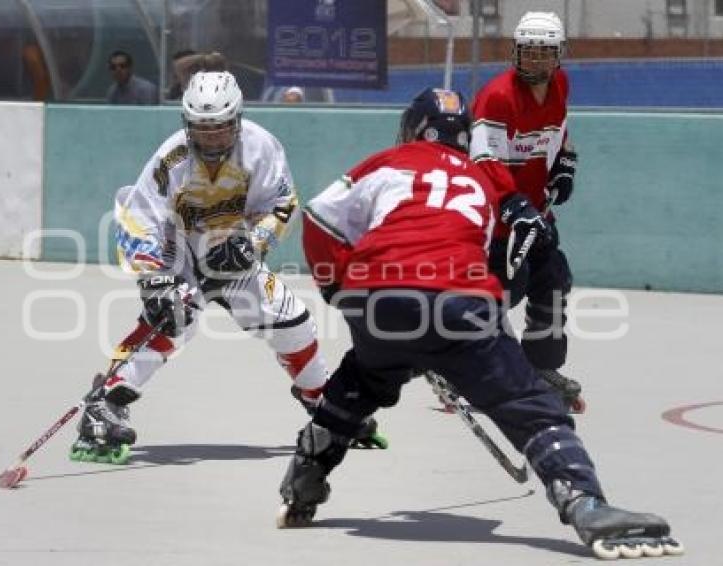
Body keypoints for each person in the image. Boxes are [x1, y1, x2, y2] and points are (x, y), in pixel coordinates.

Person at [274, 87, 683, 560]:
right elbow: (484, 258)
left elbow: (320, 219)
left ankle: (306, 474)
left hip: (377, 298)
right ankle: (585, 504)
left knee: (365, 373)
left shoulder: (385, 161)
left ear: (411, 129)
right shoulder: (481, 182)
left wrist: (335, 286)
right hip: (458, 302)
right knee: (528, 402)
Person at [70, 71, 385, 465]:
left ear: (236, 119)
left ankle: (321, 399)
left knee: (292, 321)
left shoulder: (261, 146)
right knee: (173, 319)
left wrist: (254, 244)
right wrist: (155, 280)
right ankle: (106, 401)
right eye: (202, 129)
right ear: (188, 124)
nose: (212, 138)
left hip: (234, 248)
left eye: (220, 128)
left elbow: (283, 204)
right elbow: (139, 216)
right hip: (178, 245)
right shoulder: (173, 156)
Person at [469, 12, 583, 411]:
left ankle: (540, 369)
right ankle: (466, 369)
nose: (536, 61)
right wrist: (511, 202)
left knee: (553, 280)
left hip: (537, 214)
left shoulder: (560, 86)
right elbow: (482, 157)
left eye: (545, 54)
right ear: (516, 52)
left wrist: (565, 164)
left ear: (558, 57)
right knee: (501, 292)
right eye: (529, 53)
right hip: (498, 221)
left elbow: (559, 132)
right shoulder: (497, 96)